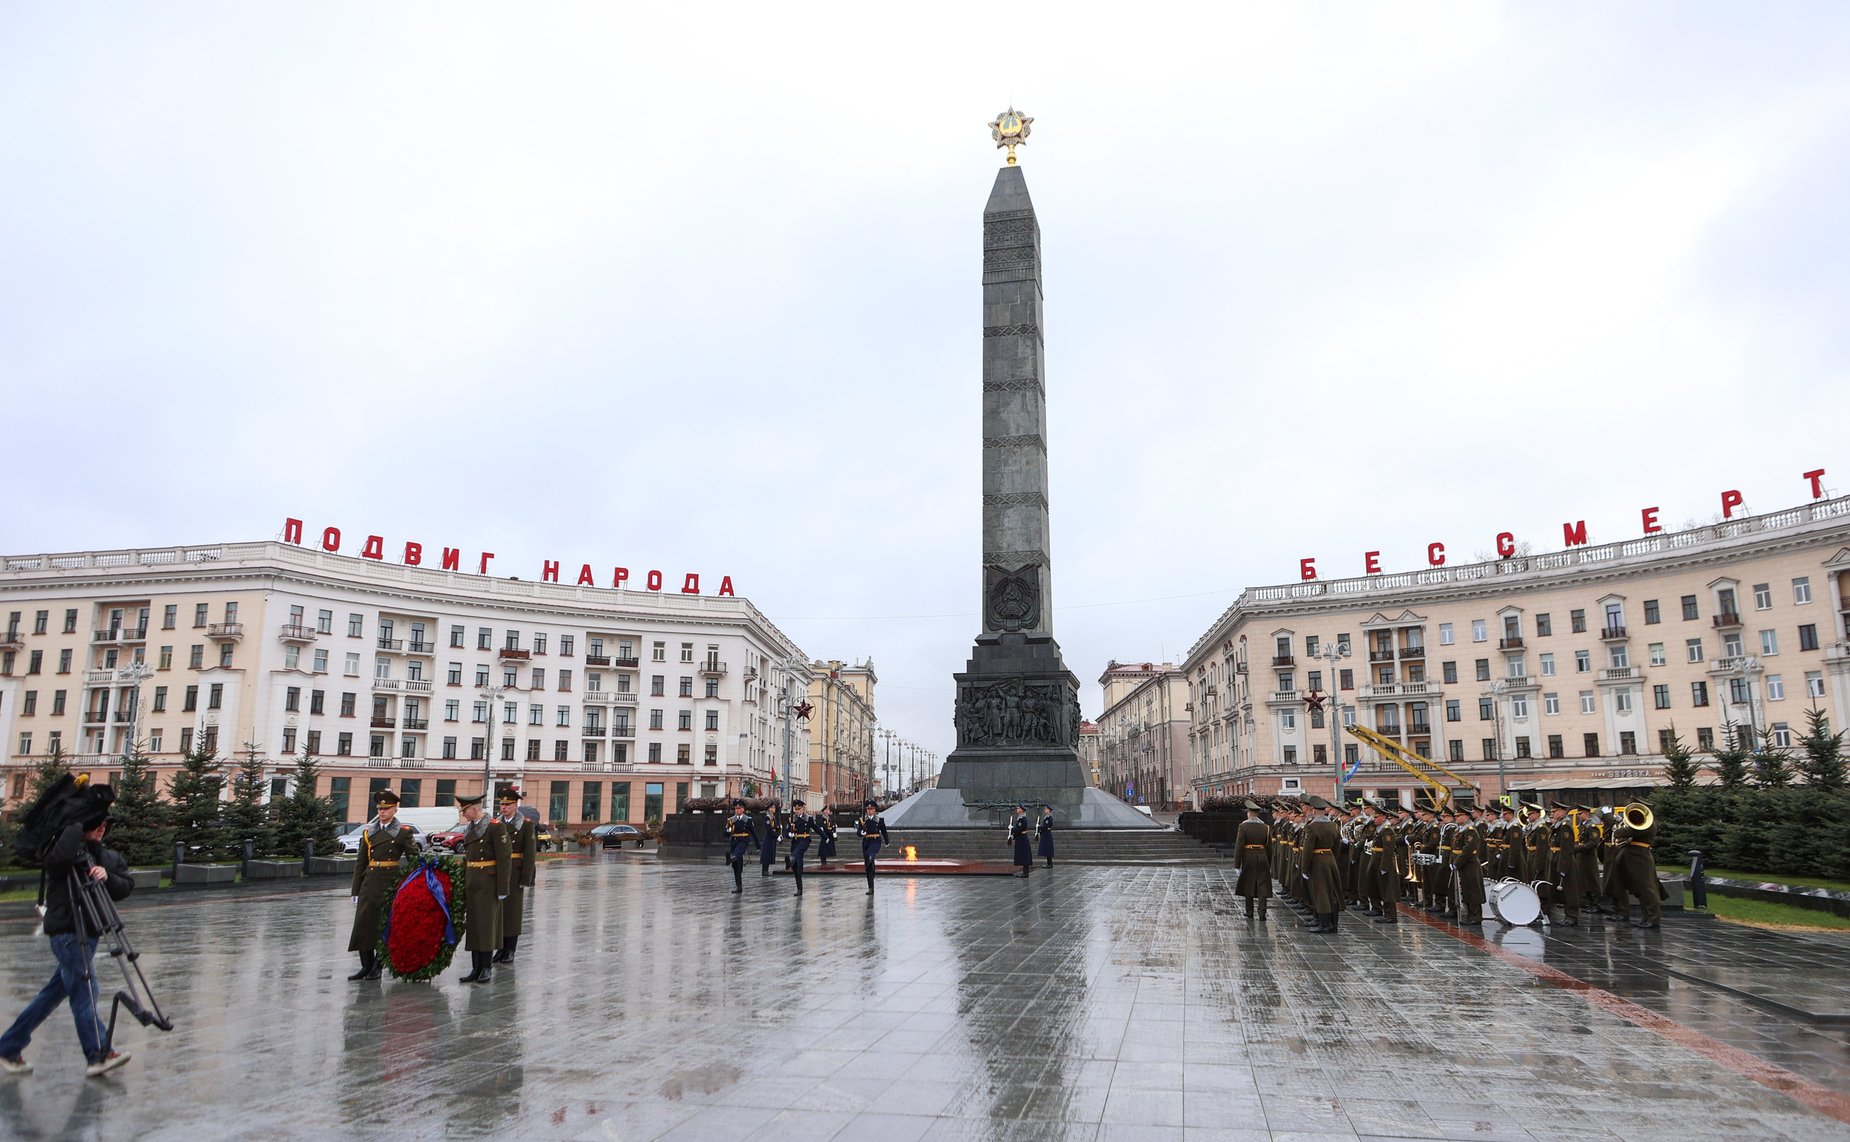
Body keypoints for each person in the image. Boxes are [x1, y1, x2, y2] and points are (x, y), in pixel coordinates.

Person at [0, 784, 134, 1078]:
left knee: (51, 995)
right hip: (67, 932)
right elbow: (56, 860)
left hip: (89, 932)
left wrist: (106, 876)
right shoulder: (65, 848)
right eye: (96, 825)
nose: (101, 830)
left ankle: (8, 1046)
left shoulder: (105, 856)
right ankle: (97, 1053)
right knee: (87, 989)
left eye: (104, 826)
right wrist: (75, 823)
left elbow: (125, 886)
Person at [347, 789, 422, 981]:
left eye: (386, 808)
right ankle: (366, 965)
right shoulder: (368, 832)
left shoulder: (403, 833)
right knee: (364, 925)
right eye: (380, 808)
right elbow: (360, 863)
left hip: (390, 883)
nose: (382, 812)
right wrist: (356, 889)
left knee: (384, 926)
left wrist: (411, 884)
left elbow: (414, 859)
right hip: (369, 883)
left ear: (395, 809)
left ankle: (378, 966)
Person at [456, 794, 511, 985]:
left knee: (486, 926)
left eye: (464, 810)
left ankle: (486, 968)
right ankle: (476, 967)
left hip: (488, 882)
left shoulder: (495, 827)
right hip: (472, 881)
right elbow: (467, 859)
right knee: (474, 926)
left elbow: (504, 859)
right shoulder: (469, 829)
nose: (463, 814)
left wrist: (502, 887)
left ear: (474, 809)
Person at [494, 789, 538, 964]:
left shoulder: (525, 825)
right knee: (499, 912)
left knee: (512, 913)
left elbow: (530, 853)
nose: (504, 807)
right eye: (502, 804)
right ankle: (500, 949)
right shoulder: (496, 823)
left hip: (515, 872)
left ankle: (510, 949)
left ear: (515, 805)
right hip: (499, 872)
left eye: (507, 804)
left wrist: (525, 878)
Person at [1301, 796, 1343, 934]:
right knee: (1333, 892)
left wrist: (1304, 868)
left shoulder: (1312, 827)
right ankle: (1333, 923)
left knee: (1321, 893)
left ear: (1313, 810)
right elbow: (1338, 845)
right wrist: (1331, 858)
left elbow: (1307, 850)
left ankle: (1324, 924)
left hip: (1317, 861)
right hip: (1330, 859)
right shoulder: (1333, 825)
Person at [1233, 801, 1272, 921]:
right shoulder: (1266, 827)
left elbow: (1239, 846)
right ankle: (1262, 913)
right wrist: (1268, 862)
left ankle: (1249, 911)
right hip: (1262, 856)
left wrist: (1237, 865)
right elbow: (1269, 847)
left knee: (1248, 883)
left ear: (1249, 813)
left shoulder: (1243, 827)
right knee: (1262, 885)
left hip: (1248, 857)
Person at [855, 800, 889, 895]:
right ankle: (871, 887)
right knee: (868, 867)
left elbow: (884, 831)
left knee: (871, 853)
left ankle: (871, 857)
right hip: (866, 842)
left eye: (871, 809)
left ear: (875, 810)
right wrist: (861, 833)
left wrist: (887, 842)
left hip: (875, 841)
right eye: (868, 809)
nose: (869, 811)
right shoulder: (862, 820)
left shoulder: (879, 820)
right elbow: (858, 831)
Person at [724, 800, 757, 893]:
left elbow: (754, 832)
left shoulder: (748, 819)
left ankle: (731, 858)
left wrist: (758, 845)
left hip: (743, 840)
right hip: (734, 841)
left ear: (743, 809)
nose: (737, 810)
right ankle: (739, 886)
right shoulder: (731, 820)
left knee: (737, 853)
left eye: (739, 808)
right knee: (736, 866)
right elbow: (725, 834)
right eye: (736, 809)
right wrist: (728, 830)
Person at [783, 800, 815, 897]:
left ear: (803, 809)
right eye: (795, 809)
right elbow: (787, 833)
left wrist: (825, 837)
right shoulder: (792, 819)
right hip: (795, 842)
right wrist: (790, 834)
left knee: (797, 852)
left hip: (805, 840)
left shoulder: (808, 819)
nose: (797, 811)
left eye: (799, 809)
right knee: (797, 866)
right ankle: (799, 889)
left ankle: (791, 860)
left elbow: (816, 828)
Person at [758, 802, 781, 879]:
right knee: (766, 854)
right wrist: (776, 836)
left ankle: (766, 870)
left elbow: (775, 827)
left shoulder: (773, 817)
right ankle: (764, 870)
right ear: (769, 809)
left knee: (770, 854)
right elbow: (769, 829)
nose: (774, 809)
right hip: (769, 837)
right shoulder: (767, 817)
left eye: (774, 808)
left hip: (772, 837)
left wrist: (778, 828)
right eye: (773, 808)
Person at [1009, 805, 1033, 878]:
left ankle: (1025, 873)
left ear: (1022, 810)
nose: (1017, 809)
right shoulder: (1020, 818)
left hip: (1022, 839)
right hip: (1020, 838)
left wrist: (1012, 829)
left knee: (1024, 855)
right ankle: (1024, 872)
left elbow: (1019, 829)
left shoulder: (1022, 819)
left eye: (1018, 808)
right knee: (1023, 855)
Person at [1036, 804, 1055, 869]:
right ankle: (1049, 863)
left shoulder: (1049, 817)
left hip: (1047, 834)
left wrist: (1039, 827)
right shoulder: (1047, 817)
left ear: (1049, 810)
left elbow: (1046, 826)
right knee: (1047, 849)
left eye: (1046, 809)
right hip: (1045, 834)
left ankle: (1050, 864)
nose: (1045, 810)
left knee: (1048, 849)